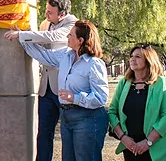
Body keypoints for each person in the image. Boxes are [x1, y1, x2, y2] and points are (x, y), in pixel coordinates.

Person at [21, 20, 109, 161]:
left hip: (88, 118)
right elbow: (43, 55)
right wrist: (21, 36)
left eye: (70, 35)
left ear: (80, 40)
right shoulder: (65, 56)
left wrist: (75, 97)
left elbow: (101, 98)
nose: (67, 37)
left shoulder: (94, 64)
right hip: (67, 116)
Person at [4, 0, 77, 161]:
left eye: (50, 12)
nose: (46, 15)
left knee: (67, 133)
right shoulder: (46, 24)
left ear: (62, 14)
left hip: (64, 89)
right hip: (46, 89)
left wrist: (21, 36)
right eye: (46, 10)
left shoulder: (73, 25)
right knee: (43, 133)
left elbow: (51, 38)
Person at [108, 44, 166, 161]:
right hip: (130, 147)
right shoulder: (124, 83)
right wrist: (123, 138)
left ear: (148, 60)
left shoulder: (161, 83)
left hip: (156, 148)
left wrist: (148, 142)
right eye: (131, 56)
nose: (132, 59)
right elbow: (112, 112)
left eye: (138, 56)